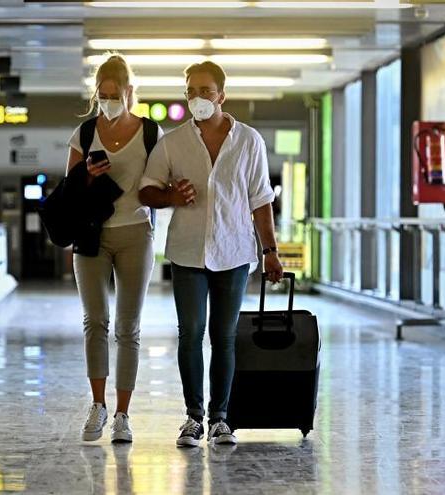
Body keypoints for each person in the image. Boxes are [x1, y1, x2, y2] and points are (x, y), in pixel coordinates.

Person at [139, 61, 284, 447]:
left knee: (225, 336)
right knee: (190, 334)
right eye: (191, 91)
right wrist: (170, 196)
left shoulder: (249, 141)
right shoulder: (172, 142)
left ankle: (221, 418)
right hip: (187, 252)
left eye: (205, 91)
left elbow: (261, 200)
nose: (198, 98)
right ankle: (192, 417)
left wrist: (269, 250)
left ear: (222, 95)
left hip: (234, 251)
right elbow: (146, 190)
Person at [68, 54, 163, 444]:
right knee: (95, 321)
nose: (108, 101)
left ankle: (123, 413)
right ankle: (98, 405)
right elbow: (69, 191)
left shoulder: (151, 132)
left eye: (115, 94)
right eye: (102, 95)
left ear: (129, 92)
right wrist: (87, 178)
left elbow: (158, 184)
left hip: (135, 233)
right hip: (91, 234)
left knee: (128, 327)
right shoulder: (85, 133)